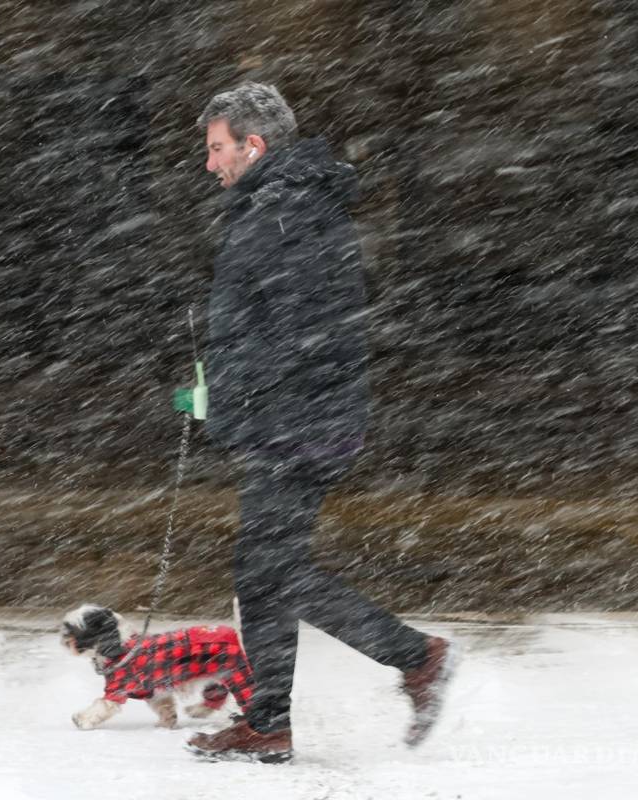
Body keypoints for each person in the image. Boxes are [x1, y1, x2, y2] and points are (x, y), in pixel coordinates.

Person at [184, 82, 456, 763]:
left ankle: (416, 656)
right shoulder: (280, 207)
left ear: (254, 145)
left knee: (272, 570)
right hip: (292, 417)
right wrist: (214, 389)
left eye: (217, 150)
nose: (210, 164)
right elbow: (258, 329)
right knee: (260, 570)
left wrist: (234, 396)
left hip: (298, 422)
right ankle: (269, 722)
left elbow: (298, 334)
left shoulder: (286, 214)